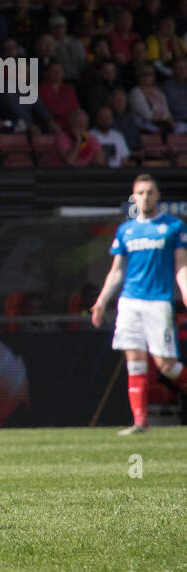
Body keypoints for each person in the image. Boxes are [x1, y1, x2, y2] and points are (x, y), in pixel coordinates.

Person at [91, 174, 187, 434]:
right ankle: (140, 421)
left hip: (159, 302)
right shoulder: (126, 230)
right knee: (134, 359)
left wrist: (186, 293)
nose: (145, 196)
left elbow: (181, 265)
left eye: (149, 192)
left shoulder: (173, 227)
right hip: (130, 302)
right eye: (140, 192)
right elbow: (117, 271)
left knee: (167, 365)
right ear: (134, 197)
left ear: (157, 196)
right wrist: (101, 302)